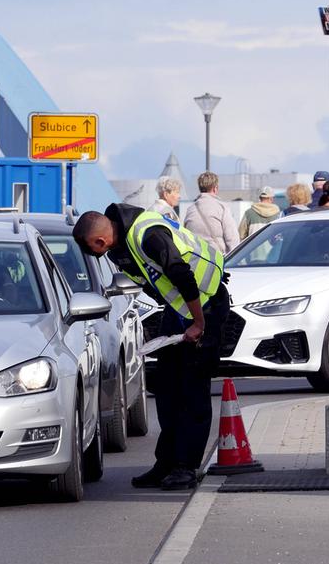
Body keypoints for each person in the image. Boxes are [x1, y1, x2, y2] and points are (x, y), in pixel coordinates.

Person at [73, 203, 230, 491]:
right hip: (180, 310)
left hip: (206, 306)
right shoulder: (123, 246)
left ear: (99, 241)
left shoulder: (148, 234)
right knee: (168, 387)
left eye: (96, 251)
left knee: (192, 389)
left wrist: (198, 323)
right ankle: (166, 463)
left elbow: (182, 274)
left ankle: (186, 467)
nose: (101, 256)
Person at [184, 171, 239, 253]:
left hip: (196, 259)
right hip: (216, 259)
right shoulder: (222, 208)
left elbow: (185, 237)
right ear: (215, 188)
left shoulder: (190, 210)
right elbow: (232, 239)